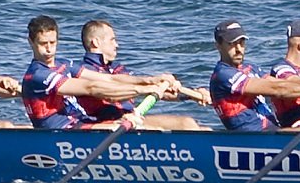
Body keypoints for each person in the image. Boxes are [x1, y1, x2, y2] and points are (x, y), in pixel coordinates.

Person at [21, 14, 176, 131]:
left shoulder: (64, 64)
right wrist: (142, 91)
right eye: (43, 43)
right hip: (63, 132)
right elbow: (92, 88)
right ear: (31, 42)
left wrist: (150, 81)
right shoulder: (37, 75)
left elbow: (108, 79)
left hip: (82, 123)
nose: (49, 49)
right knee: (145, 130)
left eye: (52, 43)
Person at [208, 20, 300, 132]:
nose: (239, 49)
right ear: (218, 46)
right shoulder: (223, 74)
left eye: (241, 43)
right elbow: (279, 89)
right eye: (232, 44)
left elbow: (292, 85)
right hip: (255, 139)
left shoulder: (251, 68)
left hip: (276, 132)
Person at [73, 17, 209, 131]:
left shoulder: (116, 68)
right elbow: (113, 86)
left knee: (203, 130)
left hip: (132, 119)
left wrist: (191, 95)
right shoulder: (85, 71)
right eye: (112, 40)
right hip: (108, 125)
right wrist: (151, 82)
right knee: (186, 124)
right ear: (96, 42)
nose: (117, 45)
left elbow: (154, 90)